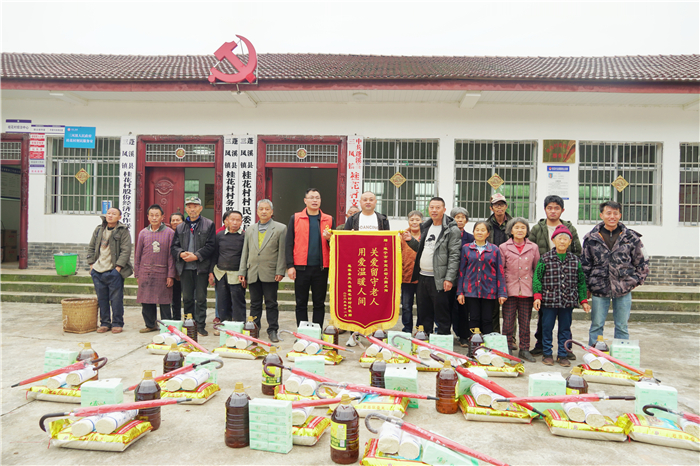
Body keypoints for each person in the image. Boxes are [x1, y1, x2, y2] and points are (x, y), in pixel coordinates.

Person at [581, 201, 649, 346]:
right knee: (597, 325)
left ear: (620, 215)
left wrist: (635, 281)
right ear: (601, 215)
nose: (612, 216)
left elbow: (642, 262)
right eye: (608, 213)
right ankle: (595, 355)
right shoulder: (591, 238)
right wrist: (586, 287)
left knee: (622, 326)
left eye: (615, 213)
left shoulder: (631, 237)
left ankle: (621, 356)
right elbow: (585, 265)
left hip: (623, 289)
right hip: (599, 288)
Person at [528, 195, 582, 358]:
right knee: (545, 318)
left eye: (556, 208)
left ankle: (566, 348)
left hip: (565, 279)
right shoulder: (538, 228)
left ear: (562, 210)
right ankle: (541, 346)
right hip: (545, 277)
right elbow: (531, 249)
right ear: (545, 210)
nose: (553, 211)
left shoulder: (569, 228)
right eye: (550, 208)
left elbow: (577, 250)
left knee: (566, 320)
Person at [533, 225, 591, 367]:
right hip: (549, 301)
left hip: (568, 301)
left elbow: (581, 282)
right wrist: (537, 296)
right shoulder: (545, 258)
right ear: (553, 240)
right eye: (560, 238)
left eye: (566, 239)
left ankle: (562, 354)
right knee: (547, 327)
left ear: (570, 242)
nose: (563, 242)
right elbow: (537, 278)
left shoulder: (575, 260)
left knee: (565, 328)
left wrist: (583, 300)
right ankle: (547, 353)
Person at [402, 197, 461, 336]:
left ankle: (443, 340)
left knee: (442, 313)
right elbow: (423, 250)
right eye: (431, 207)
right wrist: (410, 241)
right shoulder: (426, 226)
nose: (434, 210)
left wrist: (449, 278)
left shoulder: (451, 230)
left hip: (439, 278)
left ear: (444, 210)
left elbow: (454, 256)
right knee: (423, 311)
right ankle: (425, 338)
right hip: (423, 276)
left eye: (437, 207)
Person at [239, 200, 287, 343]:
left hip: (271, 272)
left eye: (267, 209)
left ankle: (273, 330)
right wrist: (242, 271)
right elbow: (245, 252)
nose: (264, 211)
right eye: (261, 209)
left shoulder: (280, 228)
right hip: (253, 271)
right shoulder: (250, 229)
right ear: (257, 211)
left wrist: (280, 270)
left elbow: (282, 252)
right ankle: (254, 329)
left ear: (272, 212)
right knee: (254, 303)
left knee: (271, 303)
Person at [286, 188, 334, 327]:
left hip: (321, 268)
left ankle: (316, 331)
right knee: (301, 302)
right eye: (311, 197)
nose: (315, 200)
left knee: (319, 303)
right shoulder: (296, 218)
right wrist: (290, 266)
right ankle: (303, 332)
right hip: (301, 268)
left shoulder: (328, 219)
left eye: (317, 198)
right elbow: (289, 243)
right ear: (305, 200)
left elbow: (335, 245)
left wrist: (329, 239)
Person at [171, 196, 216, 336]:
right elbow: (174, 247)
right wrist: (181, 253)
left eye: (195, 206)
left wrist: (196, 256)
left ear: (200, 208)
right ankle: (189, 324)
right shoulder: (180, 227)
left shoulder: (208, 224)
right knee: (188, 298)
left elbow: (211, 246)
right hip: (185, 268)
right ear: (185, 209)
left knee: (201, 298)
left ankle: (200, 325)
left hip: (201, 268)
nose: (192, 209)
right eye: (189, 206)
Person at [499, 217, 540, 361]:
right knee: (508, 322)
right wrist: (502, 291)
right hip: (509, 290)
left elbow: (536, 271)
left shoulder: (533, 247)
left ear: (527, 230)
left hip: (527, 291)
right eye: (516, 227)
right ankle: (508, 348)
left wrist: (536, 294)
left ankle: (524, 349)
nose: (520, 230)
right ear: (510, 230)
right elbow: (501, 270)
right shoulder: (503, 247)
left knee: (525, 322)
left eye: (523, 227)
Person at [456, 221, 507, 337]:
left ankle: (487, 347)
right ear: (473, 232)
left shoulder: (494, 249)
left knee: (487, 319)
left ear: (488, 233)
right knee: (473, 318)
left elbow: (500, 272)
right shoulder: (466, 248)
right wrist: (460, 292)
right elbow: (462, 272)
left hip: (489, 290)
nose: (480, 232)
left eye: (483, 230)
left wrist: (502, 293)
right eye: (477, 230)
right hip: (471, 290)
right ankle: (474, 346)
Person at [87, 207, 133, 334]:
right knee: (102, 298)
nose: (110, 215)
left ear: (119, 217)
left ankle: (117, 323)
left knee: (116, 299)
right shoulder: (99, 229)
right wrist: (92, 265)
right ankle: (105, 323)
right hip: (98, 270)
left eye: (114, 214)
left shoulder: (123, 231)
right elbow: (91, 247)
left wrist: (118, 268)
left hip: (113, 270)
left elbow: (126, 250)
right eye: (108, 213)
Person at [134, 204, 176, 332]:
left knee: (164, 301)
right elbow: (138, 254)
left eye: (157, 215)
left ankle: (166, 327)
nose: (154, 218)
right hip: (145, 272)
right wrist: (137, 274)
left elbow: (171, 256)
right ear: (147, 217)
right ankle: (150, 324)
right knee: (146, 300)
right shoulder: (143, 233)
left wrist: (170, 275)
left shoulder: (170, 233)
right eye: (151, 215)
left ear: (162, 217)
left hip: (162, 272)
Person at [209, 210, 246, 334]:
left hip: (237, 275)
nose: (235, 222)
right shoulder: (219, 236)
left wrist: (244, 274)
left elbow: (246, 257)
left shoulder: (244, 236)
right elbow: (214, 255)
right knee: (222, 301)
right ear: (227, 221)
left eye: (238, 220)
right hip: (221, 273)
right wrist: (211, 272)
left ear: (241, 222)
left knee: (237, 301)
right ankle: (224, 326)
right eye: (232, 220)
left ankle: (239, 326)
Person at [486, 193, 512, 333]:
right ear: (492, 208)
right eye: (496, 205)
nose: (499, 207)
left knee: (510, 308)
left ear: (506, 206)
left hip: (510, 269)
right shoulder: (487, 225)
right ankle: (493, 334)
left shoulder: (514, 223)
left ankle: (510, 337)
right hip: (491, 269)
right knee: (493, 306)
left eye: (502, 204)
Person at [450, 206, 474, 344]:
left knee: (463, 308)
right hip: (450, 276)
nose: (459, 220)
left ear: (466, 221)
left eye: (462, 217)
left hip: (465, 277)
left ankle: (463, 335)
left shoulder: (470, 238)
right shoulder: (447, 235)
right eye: (456, 217)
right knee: (449, 307)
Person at [400, 210, 423, 333]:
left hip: (422, 277)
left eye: (417, 220)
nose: (414, 222)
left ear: (422, 221)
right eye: (412, 220)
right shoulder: (402, 236)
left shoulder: (425, 235)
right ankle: (407, 329)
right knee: (406, 306)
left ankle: (420, 329)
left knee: (422, 306)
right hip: (406, 276)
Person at [169, 212, 185, 320]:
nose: (175, 222)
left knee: (189, 298)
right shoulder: (167, 234)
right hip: (171, 271)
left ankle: (190, 320)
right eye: (173, 220)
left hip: (185, 270)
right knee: (175, 298)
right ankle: (176, 318)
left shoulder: (186, 233)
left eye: (178, 220)